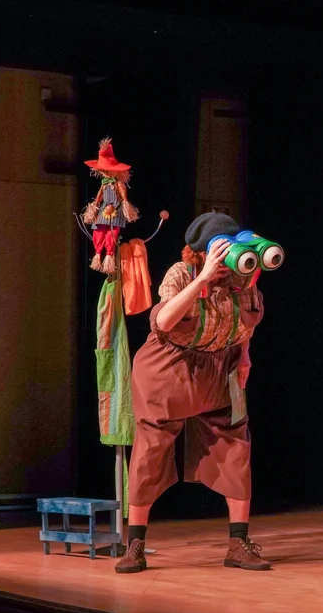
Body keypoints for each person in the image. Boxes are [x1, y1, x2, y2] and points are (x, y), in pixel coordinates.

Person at [115, 211, 269, 574]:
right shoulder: (181, 273)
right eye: (221, 251)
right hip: (168, 368)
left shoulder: (243, 278)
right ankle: (135, 545)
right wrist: (203, 277)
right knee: (152, 449)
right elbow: (164, 320)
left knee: (236, 445)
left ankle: (238, 543)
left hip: (219, 366)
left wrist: (245, 355)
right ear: (201, 252)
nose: (228, 260)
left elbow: (246, 321)